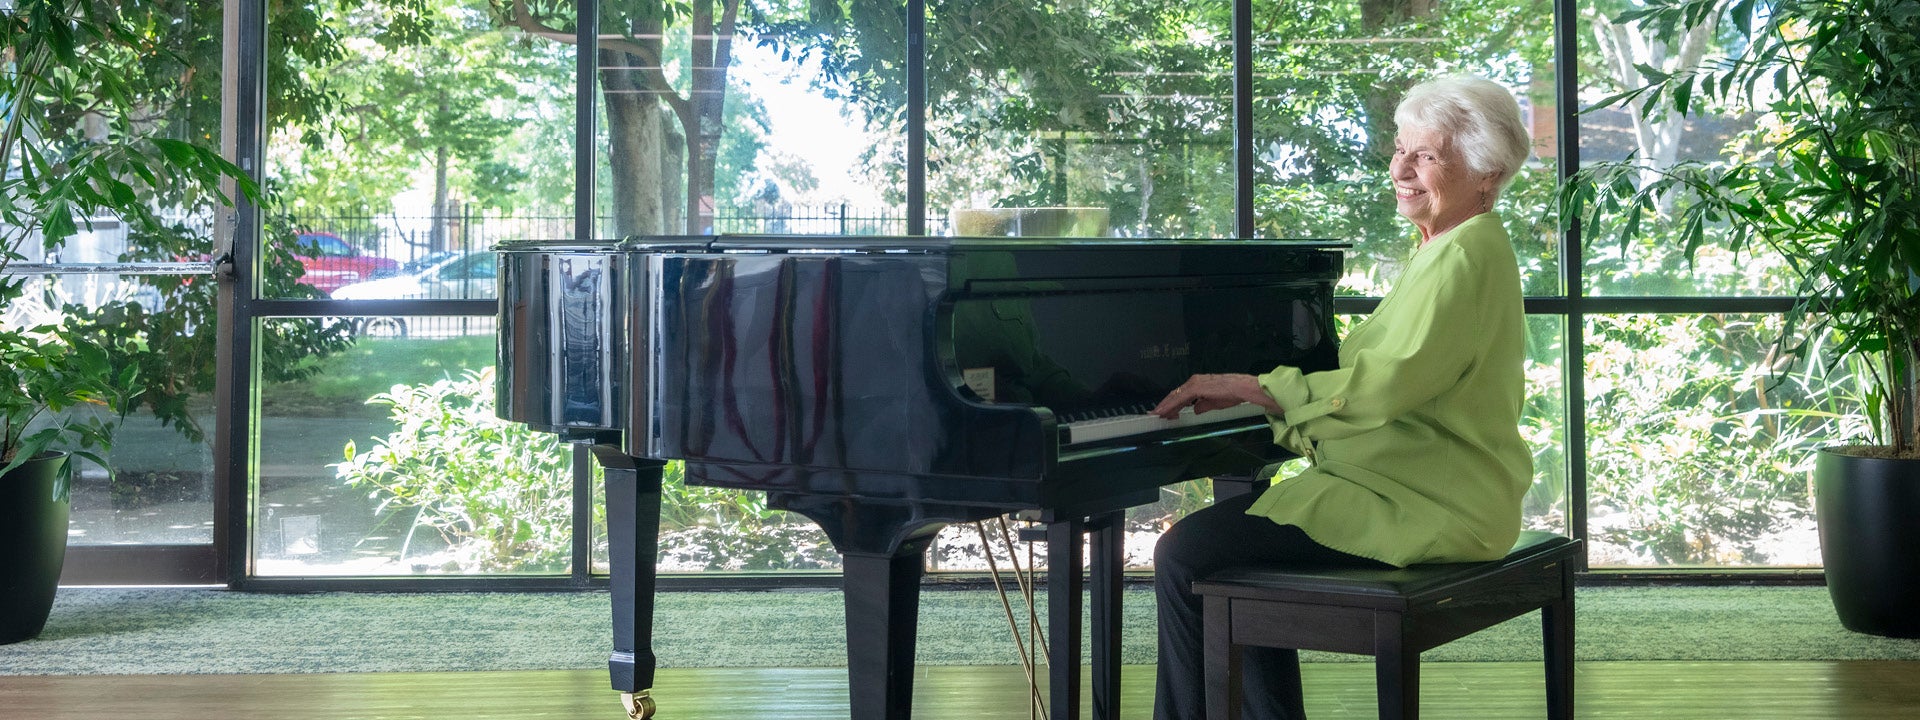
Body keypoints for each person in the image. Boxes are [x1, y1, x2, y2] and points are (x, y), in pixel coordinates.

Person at [1147, 76, 1536, 720]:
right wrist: (1272, 408)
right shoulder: (1450, 246)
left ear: (1488, 173)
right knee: (1225, 554)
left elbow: (1384, 385)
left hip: (1428, 501)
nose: (1402, 169)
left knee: (1186, 552)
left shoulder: (1465, 254)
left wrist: (1258, 390)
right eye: (1400, 149)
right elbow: (1391, 388)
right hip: (1413, 484)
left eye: (1428, 156)